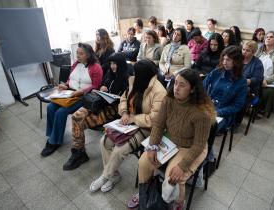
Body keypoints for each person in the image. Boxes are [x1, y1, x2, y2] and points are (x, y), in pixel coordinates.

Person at [137, 69, 216, 210]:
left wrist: (183, 165)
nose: (176, 88)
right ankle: (146, 197)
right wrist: (152, 146)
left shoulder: (201, 113)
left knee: (172, 177)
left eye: (182, 85)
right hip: (171, 140)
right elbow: (159, 124)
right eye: (175, 83)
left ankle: (177, 204)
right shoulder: (169, 100)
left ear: (192, 89)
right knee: (144, 161)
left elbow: (199, 145)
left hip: (191, 147)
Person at [89, 59, 167, 193]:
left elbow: (154, 119)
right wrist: (124, 112)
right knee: (104, 141)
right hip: (129, 122)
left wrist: (134, 118)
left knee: (120, 150)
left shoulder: (159, 91)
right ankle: (114, 175)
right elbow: (124, 99)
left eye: (136, 72)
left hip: (146, 128)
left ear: (144, 74)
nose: (133, 74)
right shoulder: (134, 81)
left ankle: (105, 176)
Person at [63, 53, 129, 170]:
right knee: (75, 116)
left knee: (79, 121)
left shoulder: (127, 79)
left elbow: (125, 101)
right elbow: (102, 85)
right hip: (99, 103)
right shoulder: (110, 73)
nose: (113, 66)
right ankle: (79, 152)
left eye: (115, 64)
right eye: (111, 63)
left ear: (121, 64)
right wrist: (102, 88)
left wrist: (114, 98)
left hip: (112, 110)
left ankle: (79, 152)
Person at [41, 43, 103, 157]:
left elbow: (96, 86)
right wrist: (65, 85)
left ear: (88, 55)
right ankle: (52, 134)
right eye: (77, 53)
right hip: (70, 92)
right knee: (50, 107)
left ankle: (54, 142)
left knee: (61, 112)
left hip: (83, 96)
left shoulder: (96, 67)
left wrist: (81, 91)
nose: (78, 56)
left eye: (81, 53)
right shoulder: (76, 64)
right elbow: (71, 79)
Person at [203, 45, 247, 136]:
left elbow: (237, 106)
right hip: (208, 106)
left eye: (228, 60)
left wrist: (218, 112)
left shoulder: (241, 82)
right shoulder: (216, 72)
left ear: (236, 62)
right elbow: (202, 86)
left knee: (204, 128)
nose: (224, 62)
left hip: (224, 114)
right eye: (223, 59)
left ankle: (204, 147)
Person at [256, 31, 274, 115]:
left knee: (268, 91)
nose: (268, 38)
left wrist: (267, 80)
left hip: (273, 79)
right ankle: (248, 107)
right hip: (258, 76)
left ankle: (263, 109)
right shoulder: (259, 51)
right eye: (266, 37)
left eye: (271, 37)